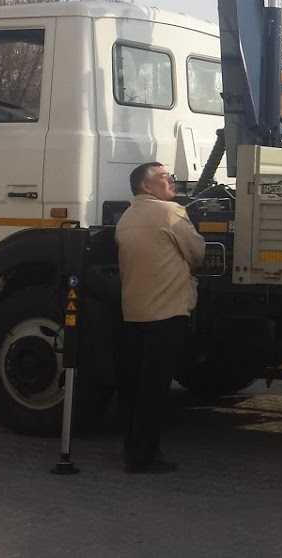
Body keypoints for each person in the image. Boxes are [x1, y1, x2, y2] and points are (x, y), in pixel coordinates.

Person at [115, 161, 205, 474]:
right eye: (165, 177)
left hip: (135, 313)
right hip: (167, 314)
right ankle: (145, 457)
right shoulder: (170, 213)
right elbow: (197, 253)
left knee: (137, 387)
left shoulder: (126, 218)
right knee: (154, 390)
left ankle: (132, 449)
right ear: (146, 185)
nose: (172, 182)